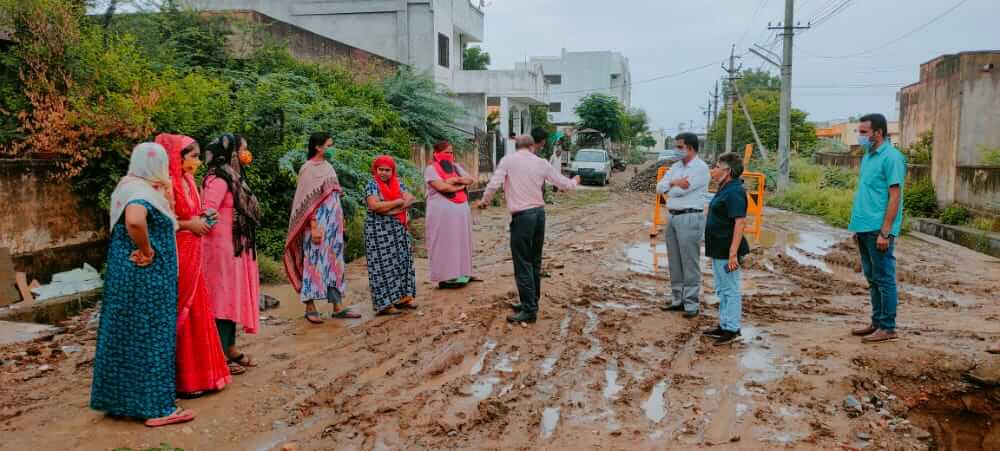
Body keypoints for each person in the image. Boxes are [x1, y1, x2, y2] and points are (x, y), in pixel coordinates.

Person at [90, 143, 194, 427]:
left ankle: (119, 401)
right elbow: (135, 220)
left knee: (124, 335)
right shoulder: (140, 193)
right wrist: (147, 250)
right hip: (147, 276)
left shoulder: (128, 185)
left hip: (125, 275)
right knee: (152, 336)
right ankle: (157, 407)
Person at [157, 133, 233, 393]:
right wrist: (190, 224)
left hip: (194, 250)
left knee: (198, 309)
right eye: (193, 157)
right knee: (181, 309)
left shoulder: (189, 180)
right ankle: (182, 379)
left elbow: (196, 210)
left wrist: (205, 215)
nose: (198, 162)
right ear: (176, 158)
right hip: (178, 250)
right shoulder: (166, 185)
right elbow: (161, 222)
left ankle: (202, 376)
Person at [477, 135, 580, 324]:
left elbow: (494, 184)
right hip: (539, 215)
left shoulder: (508, 160)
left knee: (522, 262)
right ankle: (532, 301)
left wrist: (485, 202)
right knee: (534, 261)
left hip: (522, 217)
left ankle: (529, 309)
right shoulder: (541, 162)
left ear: (517, 146)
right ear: (532, 146)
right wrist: (574, 181)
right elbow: (563, 184)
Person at [284, 132, 361, 324]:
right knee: (313, 264)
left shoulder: (329, 167)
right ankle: (310, 306)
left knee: (335, 264)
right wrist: (314, 227)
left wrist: (341, 223)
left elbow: (335, 197)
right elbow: (306, 202)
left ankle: (337, 306)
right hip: (317, 226)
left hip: (334, 227)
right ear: (318, 147)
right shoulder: (308, 169)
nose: (331, 148)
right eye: (329, 145)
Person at [202, 134, 261, 372]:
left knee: (231, 297)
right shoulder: (218, 179)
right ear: (232, 152)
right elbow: (207, 212)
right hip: (221, 249)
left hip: (235, 247)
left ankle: (230, 348)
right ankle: (219, 355)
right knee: (222, 299)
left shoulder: (233, 176)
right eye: (244, 149)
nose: (248, 154)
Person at [848, 113, 906, 344]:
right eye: (859, 132)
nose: (860, 136)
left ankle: (888, 327)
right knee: (872, 278)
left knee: (884, 278)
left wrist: (885, 231)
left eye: (863, 132)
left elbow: (894, 197)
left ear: (878, 133)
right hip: (864, 227)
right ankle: (877, 322)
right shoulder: (868, 156)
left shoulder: (891, 158)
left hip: (878, 229)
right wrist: (857, 228)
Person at [657, 132, 710, 318]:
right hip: (672, 217)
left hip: (689, 217)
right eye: (676, 146)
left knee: (689, 261)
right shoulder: (675, 167)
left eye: (680, 147)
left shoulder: (701, 168)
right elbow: (659, 187)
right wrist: (673, 182)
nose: (676, 150)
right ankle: (678, 299)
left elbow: (677, 192)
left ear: (691, 148)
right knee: (674, 260)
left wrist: (671, 186)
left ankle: (691, 303)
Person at [703, 152, 751, 346]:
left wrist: (733, 254)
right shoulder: (725, 188)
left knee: (730, 290)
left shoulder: (735, 192)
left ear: (727, 171)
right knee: (722, 289)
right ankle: (725, 325)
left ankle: (732, 329)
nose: (712, 171)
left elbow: (740, 223)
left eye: (716, 167)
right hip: (718, 248)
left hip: (727, 251)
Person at [364, 155, 418, 315]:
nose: (384, 173)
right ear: (375, 170)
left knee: (402, 262)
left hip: (398, 231)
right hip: (379, 233)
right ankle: (385, 305)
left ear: (392, 171)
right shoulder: (372, 185)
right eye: (381, 169)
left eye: (387, 170)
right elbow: (374, 206)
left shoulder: (398, 183)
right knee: (382, 266)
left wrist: (393, 209)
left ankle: (402, 299)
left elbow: (409, 198)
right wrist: (397, 203)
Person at [424, 140, 476, 288]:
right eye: (446, 152)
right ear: (436, 153)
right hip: (441, 215)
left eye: (451, 152)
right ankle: (445, 278)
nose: (449, 155)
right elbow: (442, 187)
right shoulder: (430, 169)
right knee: (444, 243)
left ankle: (461, 273)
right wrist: (459, 186)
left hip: (460, 212)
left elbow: (470, 179)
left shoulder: (456, 167)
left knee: (460, 241)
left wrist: (455, 180)